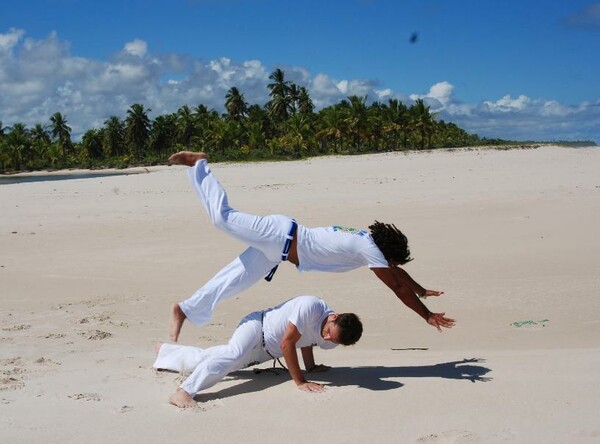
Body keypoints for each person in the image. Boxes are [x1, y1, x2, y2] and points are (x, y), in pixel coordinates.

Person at [168, 151, 455, 342]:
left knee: (232, 282)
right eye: (393, 263)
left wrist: (420, 289)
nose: (392, 268)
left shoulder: (369, 245)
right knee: (222, 218)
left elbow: (398, 279)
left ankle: (185, 309)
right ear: (387, 255)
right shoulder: (369, 249)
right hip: (278, 234)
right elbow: (396, 286)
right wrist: (426, 315)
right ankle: (200, 163)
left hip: (277, 253)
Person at [154, 295, 362, 408]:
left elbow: (306, 339)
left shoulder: (331, 339)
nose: (326, 339)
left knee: (220, 360)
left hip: (265, 354)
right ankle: (184, 392)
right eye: (328, 333)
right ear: (334, 316)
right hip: (256, 327)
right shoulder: (312, 305)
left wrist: (311, 366)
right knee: (232, 355)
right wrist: (300, 381)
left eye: (331, 339)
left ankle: (166, 353)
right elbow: (287, 343)